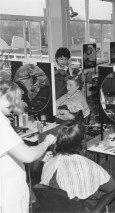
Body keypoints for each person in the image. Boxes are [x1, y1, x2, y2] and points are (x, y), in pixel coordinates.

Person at [0, 80, 57, 213]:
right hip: (8, 193)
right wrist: (46, 142)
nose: (13, 104)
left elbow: (12, 151)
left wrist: (39, 154)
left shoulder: (3, 119)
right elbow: (28, 155)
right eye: (10, 98)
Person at [40, 122, 115, 208]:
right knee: (112, 185)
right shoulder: (88, 165)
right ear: (81, 144)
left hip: (56, 206)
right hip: (78, 207)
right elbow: (111, 187)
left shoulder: (49, 162)